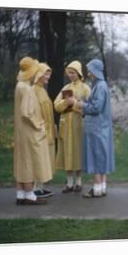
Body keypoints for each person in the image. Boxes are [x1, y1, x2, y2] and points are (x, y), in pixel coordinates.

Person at [72, 59, 115, 198]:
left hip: (97, 128)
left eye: (90, 70)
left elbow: (96, 108)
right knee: (101, 157)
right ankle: (102, 187)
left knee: (96, 158)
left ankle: (96, 189)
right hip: (101, 127)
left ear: (95, 71)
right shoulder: (101, 85)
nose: (88, 73)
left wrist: (81, 105)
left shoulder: (100, 86)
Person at [13, 56, 52, 205]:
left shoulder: (19, 86)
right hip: (29, 132)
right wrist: (39, 124)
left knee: (21, 162)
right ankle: (29, 195)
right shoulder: (27, 89)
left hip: (21, 132)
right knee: (28, 162)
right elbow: (26, 112)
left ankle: (21, 194)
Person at [54, 61, 91, 193]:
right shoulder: (65, 88)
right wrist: (65, 102)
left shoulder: (85, 88)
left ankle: (79, 181)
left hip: (78, 124)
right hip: (65, 124)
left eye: (73, 72)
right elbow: (56, 105)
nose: (70, 75)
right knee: (67, 152)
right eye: (69, 73)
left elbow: (90, 107)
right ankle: (69, 182)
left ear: (79, 73)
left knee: (78, 151)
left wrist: (75, 105)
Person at [33, 63, 55, 198]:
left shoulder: (43, 90)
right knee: (38, 159)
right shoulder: (33, 90)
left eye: (49, 74)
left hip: (48, 130)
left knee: (45, 160)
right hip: (39, 130)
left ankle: (41, 188)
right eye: (46, 74)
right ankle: (35, 188)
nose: (48, 77)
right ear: (39, 74)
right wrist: (39, 127)